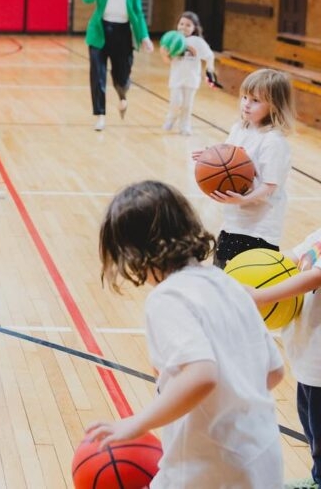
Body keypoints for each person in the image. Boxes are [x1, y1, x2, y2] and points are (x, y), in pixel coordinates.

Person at [86, 180, 284, 488]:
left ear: (134, 251)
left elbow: (202, 375)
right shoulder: (227, 283)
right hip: (263, 458)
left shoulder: (168, 297)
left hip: (209, 467)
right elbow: (274, 372)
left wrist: (136, 424)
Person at [192, 68, 295, 268]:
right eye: (245, 97)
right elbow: (229, 159)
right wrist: (210, 157)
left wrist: (244, 199)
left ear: (274, 106)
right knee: (222, 278)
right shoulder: (239, 129)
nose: (246, 104)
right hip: (233, 223)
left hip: (259, 230)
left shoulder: (273, 141)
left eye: (255, 100)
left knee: (244, 286)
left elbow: (270, 185)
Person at [247, 227, 321, 489]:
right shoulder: (318, 235)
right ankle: (317, 476)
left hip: (318, 360)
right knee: (310, 424)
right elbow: (288, 259)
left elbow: (314, 278)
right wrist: (241, 272)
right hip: (308, 356)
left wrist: (261, 296)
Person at [82, 0, 153, 131]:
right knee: (97, 75)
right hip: (100, 33)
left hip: (123, 34)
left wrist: (144, 37)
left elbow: (137, 13)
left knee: (121, 76)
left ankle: (122, 96)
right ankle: (100, 115)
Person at [161, 11, 216, 136]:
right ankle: (171, 118)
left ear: (194, 28)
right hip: (176, 79)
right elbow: (168, 61)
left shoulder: (197, 42)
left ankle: (185, 126)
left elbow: (209, 56)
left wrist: (209, 68)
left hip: (192, 80)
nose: (183, 27)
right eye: (181, 24)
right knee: (176, 102)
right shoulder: (173, 40)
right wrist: (164, 53)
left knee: (187, 105)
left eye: (188, 25)